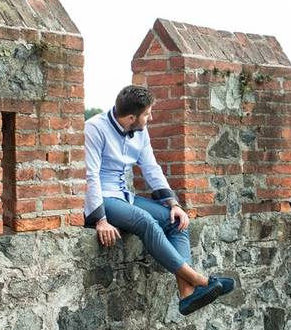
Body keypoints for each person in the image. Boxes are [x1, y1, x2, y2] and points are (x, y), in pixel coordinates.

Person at [84, 85, 234, 315]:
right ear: (132, 117)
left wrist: (174, 205)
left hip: (125, 196)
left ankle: (186, 294)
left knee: (177, 221)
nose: (151, 117)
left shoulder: (141, 132)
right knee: (145, 220)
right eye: (147, 114)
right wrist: (101, 220)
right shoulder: (95, 128)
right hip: (103, 199)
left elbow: (151, 168)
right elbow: (90, 175)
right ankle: (197, 279)